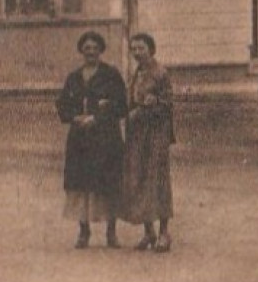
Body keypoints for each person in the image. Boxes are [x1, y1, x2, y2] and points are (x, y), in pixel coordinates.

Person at [54, 31, 128, 249]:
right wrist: (75, 117)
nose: (91, 52)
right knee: (80, 183)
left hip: (105, 138)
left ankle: (111, 233)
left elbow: (121, 106)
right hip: (80, 140)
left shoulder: (111, 75)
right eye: (87, 48)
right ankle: (83, 232)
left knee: (108, 183)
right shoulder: (74, 78)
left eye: (95, 48)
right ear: (81, 51)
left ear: (101, 50)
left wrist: (97, 118)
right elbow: (62, 104)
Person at [121, 32, 175, 253]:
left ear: (151, 49)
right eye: (133, 49)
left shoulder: (160, 73)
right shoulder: (137, 73)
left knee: (158, 180)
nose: (136, 52)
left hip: (156, 135)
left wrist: (152, 105)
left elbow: (168, 103)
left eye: (141, 48)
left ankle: (164, 233)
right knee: (141, 179)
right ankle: (148, 232)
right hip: (137, 135)